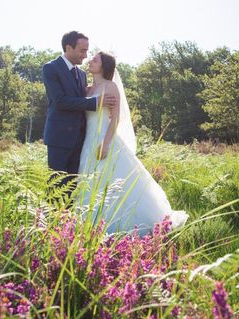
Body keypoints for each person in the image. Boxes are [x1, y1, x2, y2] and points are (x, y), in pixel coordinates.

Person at [77, 51, 188, 234]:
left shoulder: (110, 86)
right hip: (87, 142)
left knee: (115, 181)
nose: (90, 61)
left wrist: (105, 144)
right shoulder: (87, 89)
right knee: (92, 183)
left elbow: (115, 119)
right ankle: (93, 226)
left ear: (104, 66)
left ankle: (126, 226)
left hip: (105, 139)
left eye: (95, 60)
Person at [42, 31, 116, 197]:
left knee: (72, 186)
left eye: (87, 51)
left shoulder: (82, 75)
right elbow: (60, 101)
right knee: (56, 185)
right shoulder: (51, 68)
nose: (86, 55)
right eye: (82, 50)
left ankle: (67, 220)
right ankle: (54, 221)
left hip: (81, 140)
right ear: (69, 48)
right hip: (59, 138)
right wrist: (96, 103)